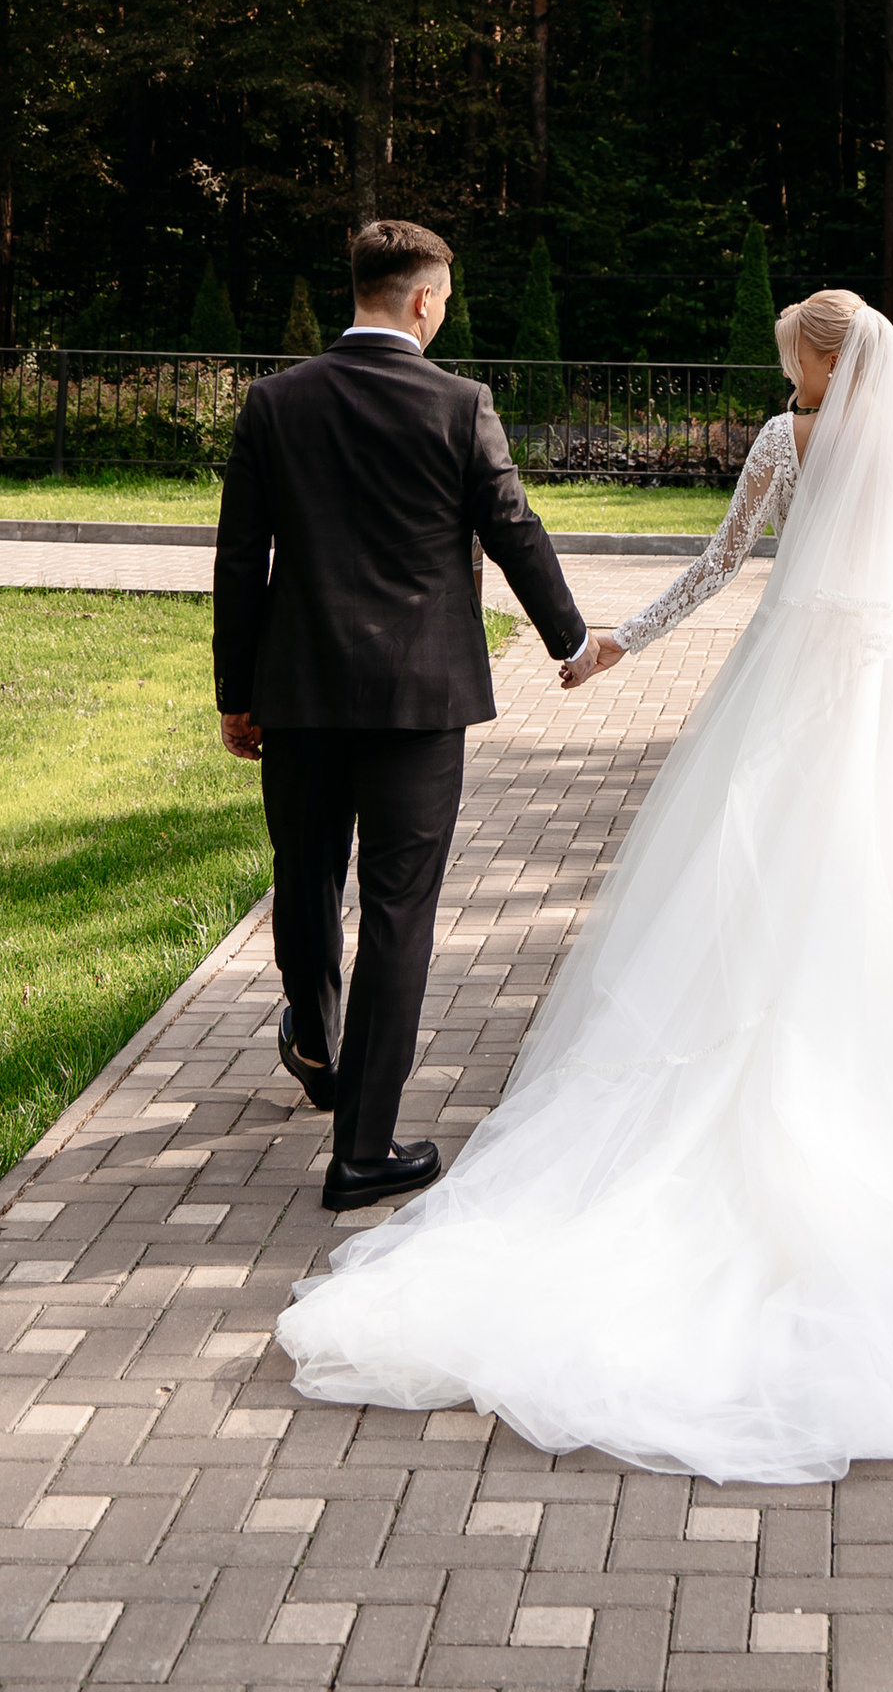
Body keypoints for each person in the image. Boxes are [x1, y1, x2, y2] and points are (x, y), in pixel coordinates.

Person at [275, 290, 893, 1480]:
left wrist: (617, 646)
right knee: (874, 896)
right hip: (875, 700)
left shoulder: (780, 439)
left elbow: (718, 564)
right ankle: (866, 1092)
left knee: (744, 886)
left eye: (791, 362)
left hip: (787, 687)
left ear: (818, 361)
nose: (789, 379)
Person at [213, 216, 590, 1214]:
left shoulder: (275, 404)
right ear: (421, 300)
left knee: (305, 876)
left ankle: (319, 1047)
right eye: (446, 298)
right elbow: (514, 528)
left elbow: (238, 561)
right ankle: (363, 1146)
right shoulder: (460, 406)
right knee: (397, 908)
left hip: (296, 691)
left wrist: (234, 694)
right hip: (419, 703)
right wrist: (570, 642)